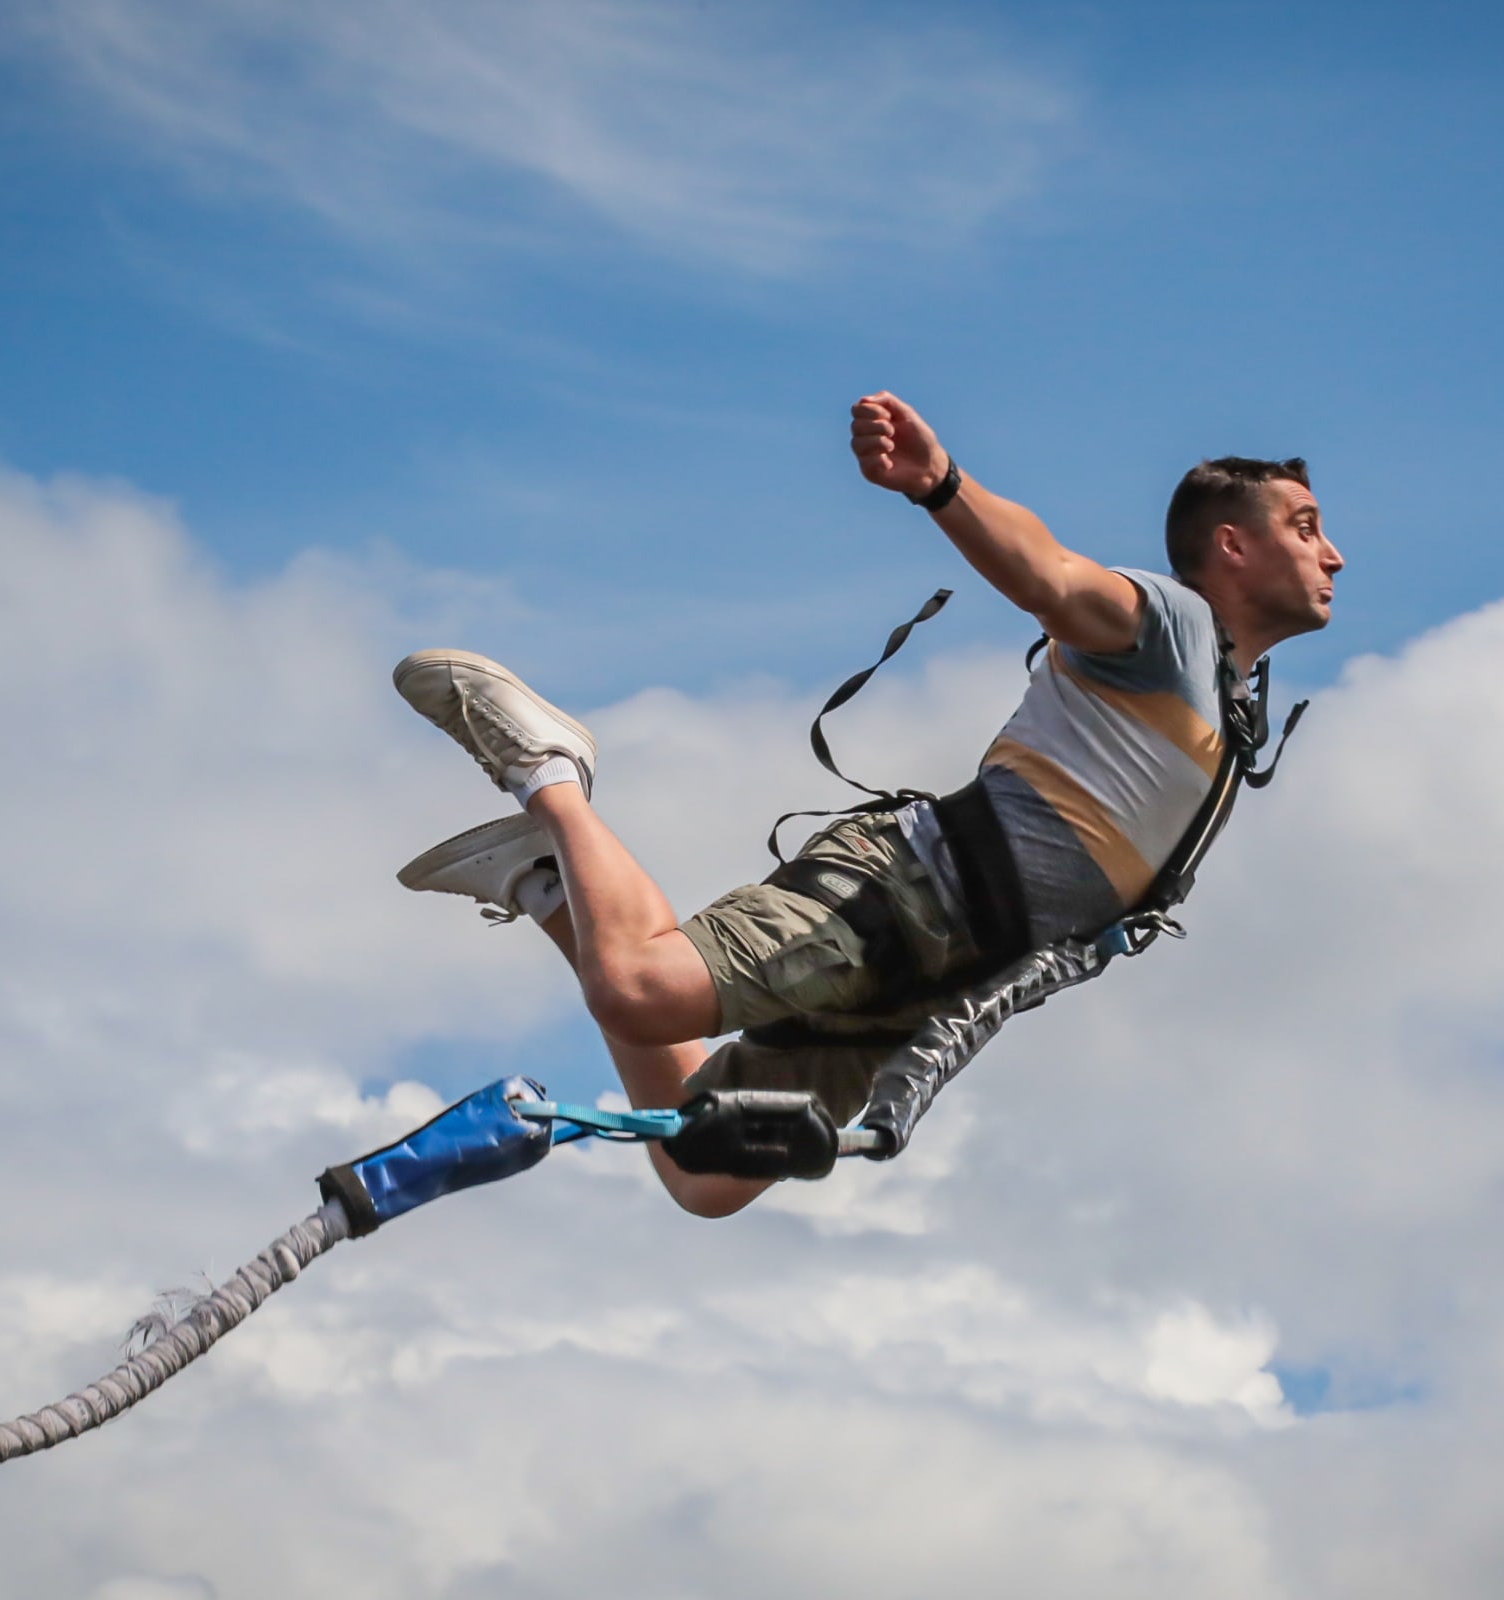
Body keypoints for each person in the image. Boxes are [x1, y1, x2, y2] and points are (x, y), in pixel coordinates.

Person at [391, 392, 1343, 1217]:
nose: (1332, 555)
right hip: (906, 892)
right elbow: (1050, 575)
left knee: (702, 1172)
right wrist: (942, 485)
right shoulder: (1171, 629)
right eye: (1305, 527)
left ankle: (555, 888)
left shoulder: (1229, 711)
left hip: (940, 982)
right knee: (641, 994)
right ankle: (551, 771)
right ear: (1233, 544)